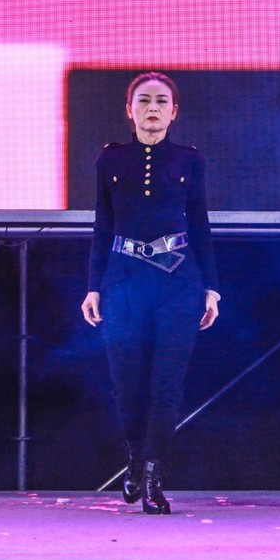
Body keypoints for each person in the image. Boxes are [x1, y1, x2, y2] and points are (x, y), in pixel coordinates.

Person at [81, 72, 220, 515]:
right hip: (122, 280)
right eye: (144, 100)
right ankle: (136, 457)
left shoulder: (189, 160)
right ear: (130, 109)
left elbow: (200, 225)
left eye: (161, 101)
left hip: (178, 280)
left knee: (167, 383)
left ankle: (155, 473)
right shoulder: (110, 159)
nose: (153, 108)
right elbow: (103, 225)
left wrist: (211, 288)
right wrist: (93, 286)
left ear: (174, 111)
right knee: (127, 383)